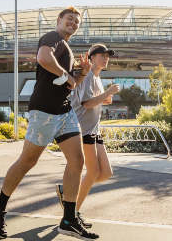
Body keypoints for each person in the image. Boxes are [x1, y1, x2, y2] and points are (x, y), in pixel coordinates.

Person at [0, 6, 100, 240]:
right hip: (44, 111)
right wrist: (66, 74)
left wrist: (82, 73)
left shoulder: (66, 47)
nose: (73, 23)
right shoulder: (52, 37)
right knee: (28, 161)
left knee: (77, 161)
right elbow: (43, 58)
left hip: (64, 111)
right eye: (70, 19)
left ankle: (69, 219)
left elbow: (70, 85)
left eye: (77, 21)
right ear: (59, 20)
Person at [55, 44, 120, 229]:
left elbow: (94, 101)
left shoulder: (97, 77)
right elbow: (86, 104)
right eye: (102, 55)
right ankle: (72, 214)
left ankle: (68, 190)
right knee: (92, 172)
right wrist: (108, 93)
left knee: (105, 172)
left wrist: (105, 99)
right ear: (91, 58)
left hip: (94, 129)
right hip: (82, 129)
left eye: (107, 56)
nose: (106, 58)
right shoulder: (87, 76)